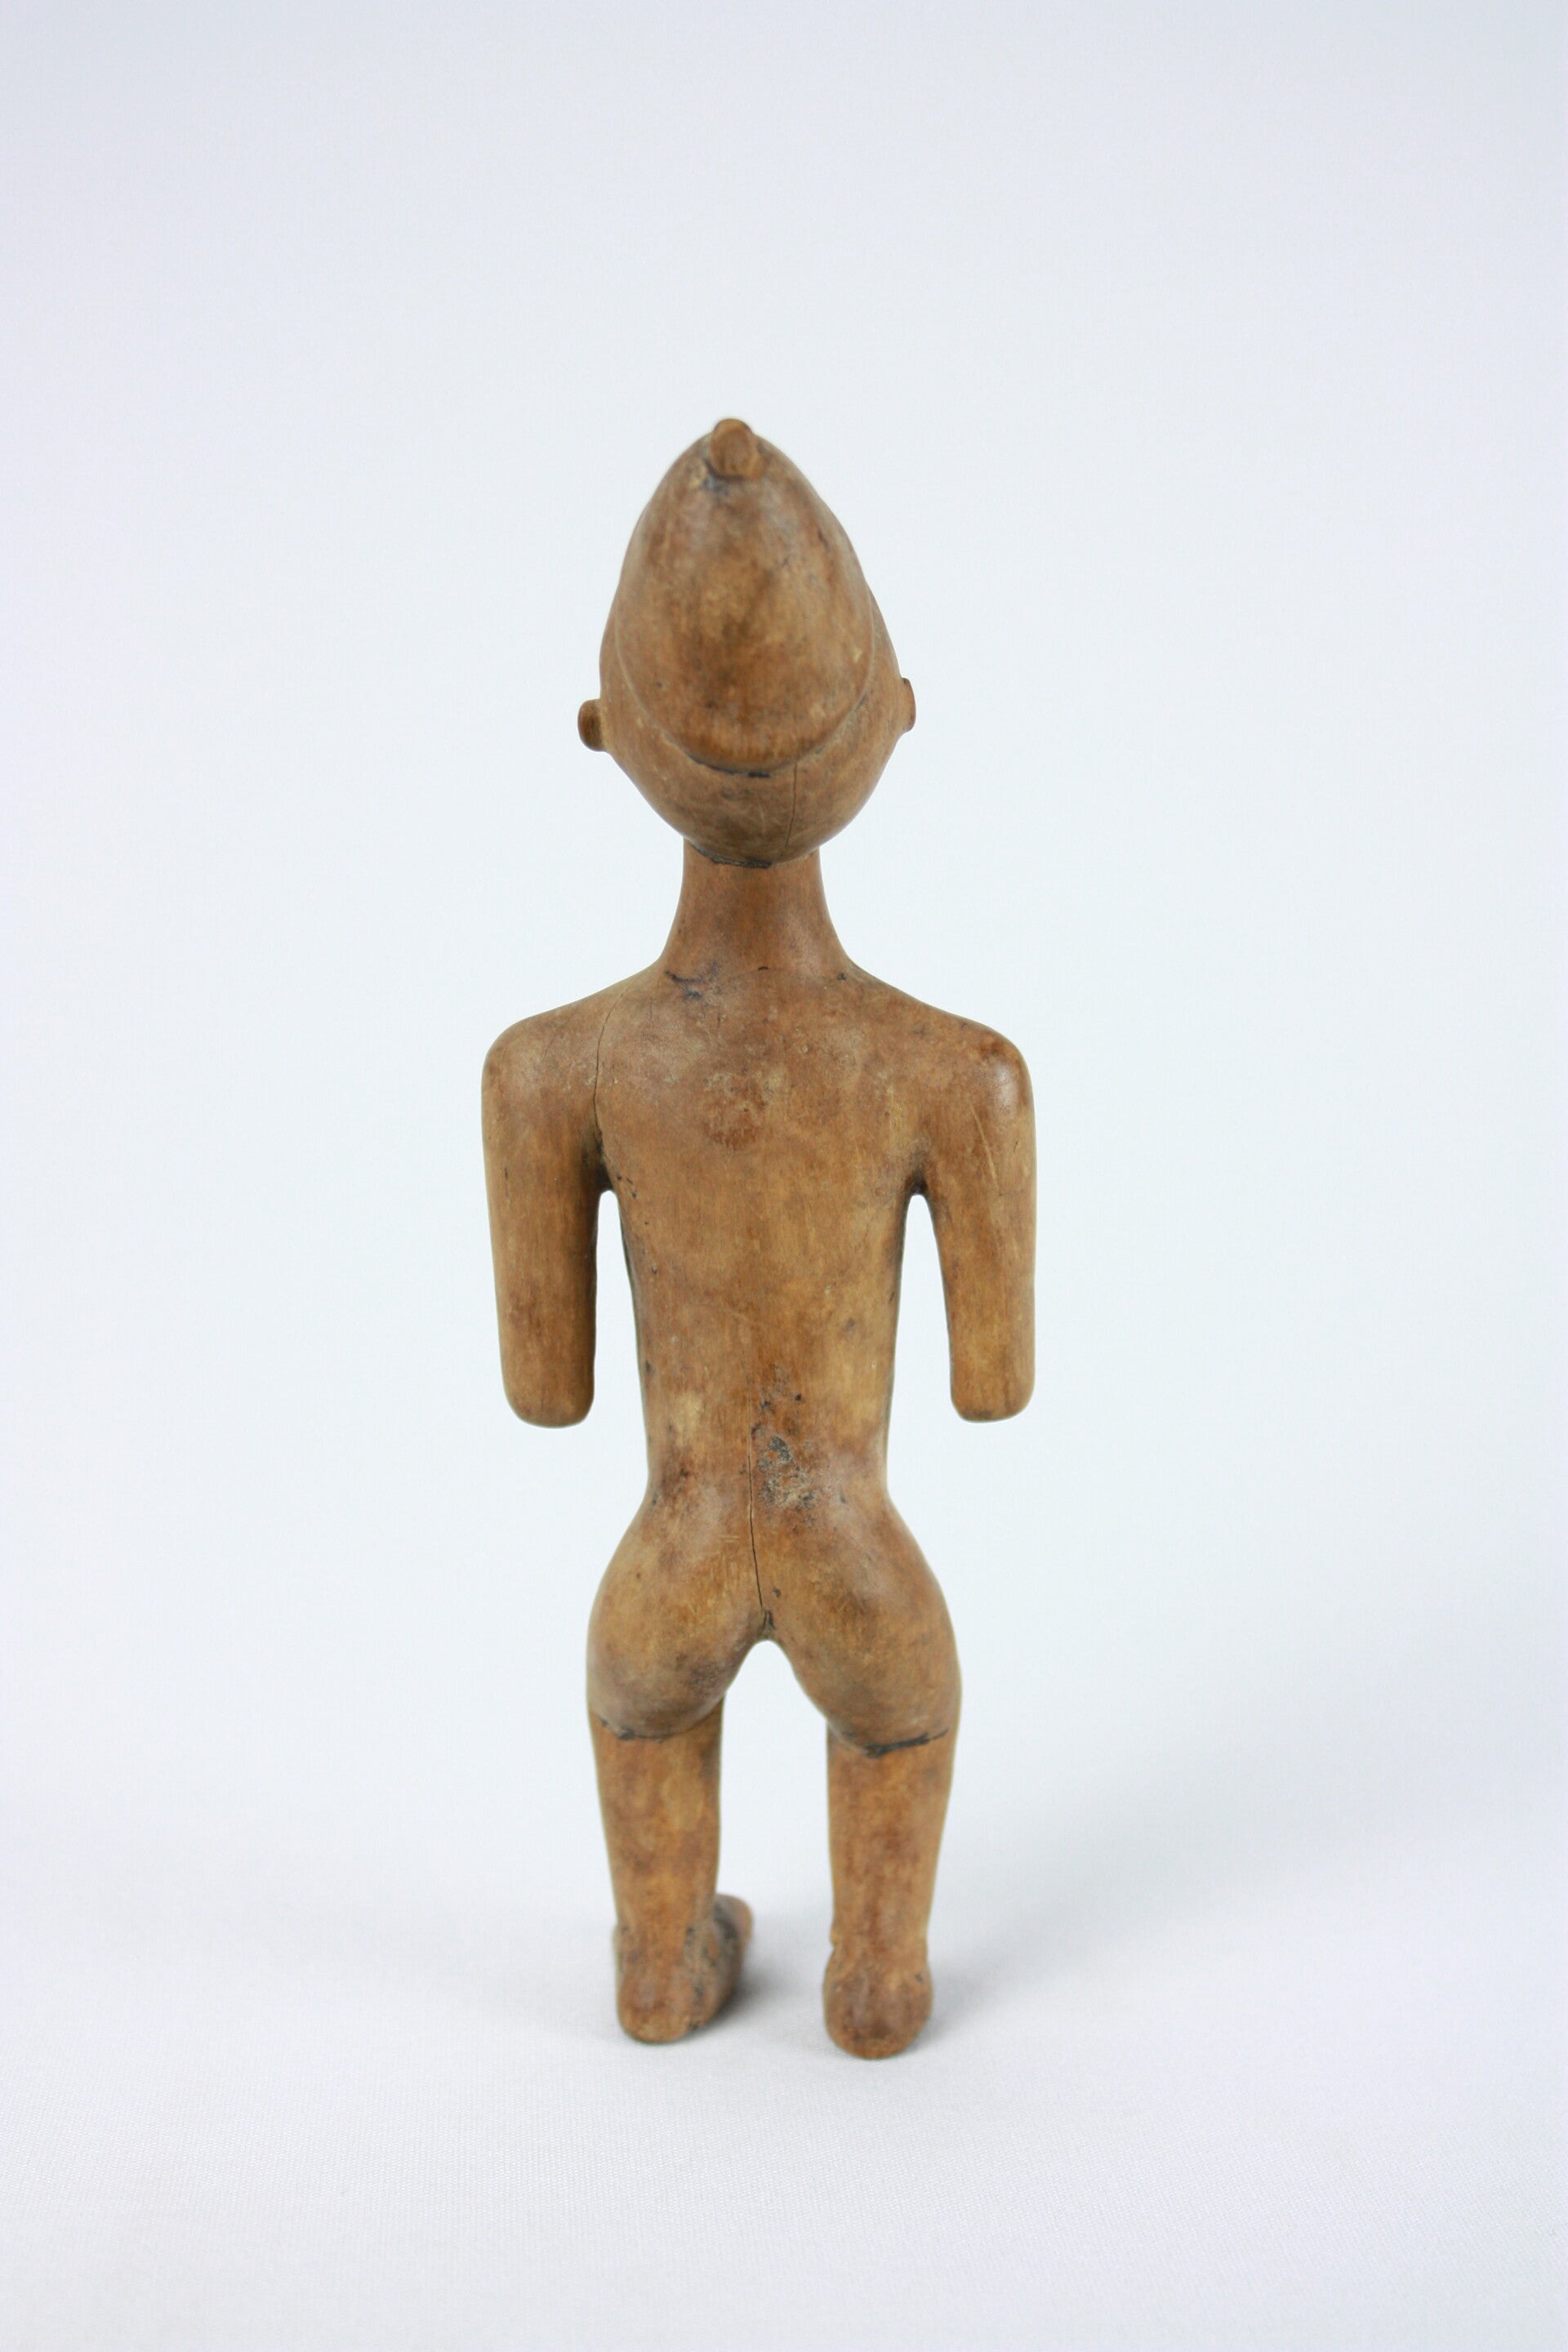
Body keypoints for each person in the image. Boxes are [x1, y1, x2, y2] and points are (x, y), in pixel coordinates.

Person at [483, 420, 1035, 2057]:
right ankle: (877, 1981)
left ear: (604, 732)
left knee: (641, 1703)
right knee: (903, 1712)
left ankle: (663, 1965)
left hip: (673, 1557)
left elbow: (547, 1391)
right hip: (858, 1552)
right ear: (894, 720)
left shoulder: (551, 1073)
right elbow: (995, 1383)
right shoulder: (959, 1076)